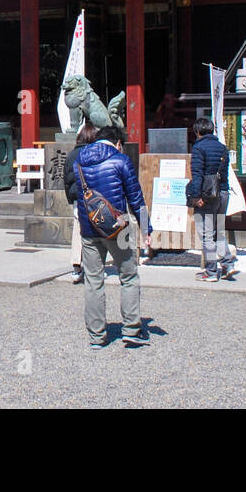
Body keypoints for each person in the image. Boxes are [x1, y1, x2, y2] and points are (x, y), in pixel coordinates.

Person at [64, 124, 152, 348]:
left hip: (89, 227)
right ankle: (131, 329)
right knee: (128, 276)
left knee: (94, 280)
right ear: (118, 142)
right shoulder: (121, 161)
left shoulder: (80, 160)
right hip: (116, 228)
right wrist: (146, 229)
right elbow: (136, 198)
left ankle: (97, 336)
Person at [188, 116, 236, 281]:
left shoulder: (198, 148)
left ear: (198, 131)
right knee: (219, 231)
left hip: (208, 196)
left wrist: (196, 196)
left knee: (207, 234)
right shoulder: (222, 148)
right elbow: (224, 174)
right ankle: (228, 264)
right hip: (223, 193)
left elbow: (197, 175)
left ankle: (211, 272)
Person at [66, 123, 98, 283]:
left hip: (78, 198)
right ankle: (95, 266)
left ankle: (76, 267)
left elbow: (66, 179)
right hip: (94, 198)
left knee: (78, 230)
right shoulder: (95, 153)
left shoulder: (72, 154)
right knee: (97, 229)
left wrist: (70, 197)